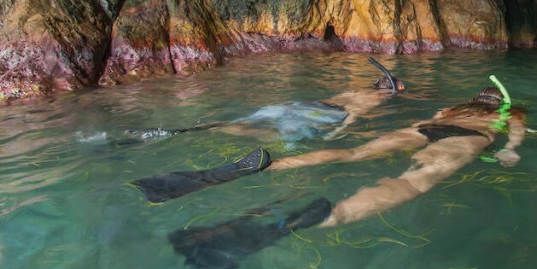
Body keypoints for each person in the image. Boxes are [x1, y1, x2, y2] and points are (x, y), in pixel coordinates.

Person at [168, 79, 527, 269]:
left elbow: (435, 117)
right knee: (413, 182)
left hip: (424, 127)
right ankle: (328, 215)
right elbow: (516, 133)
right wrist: (510, 150)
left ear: (475, 98)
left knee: (355, 153)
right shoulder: (513, 113)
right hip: (467, 139)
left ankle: (271, 164)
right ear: (500, 105)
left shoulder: (454, 106)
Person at [128, 58, 404, 203]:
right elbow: (352, 115)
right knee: (273, 138)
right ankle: (255, 167)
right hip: (325, 115)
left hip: (303, 105)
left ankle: (188, 129)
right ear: (390, 91)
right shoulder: (375, 99)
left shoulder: (356, 89)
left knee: (248, 124)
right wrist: (335, 134)